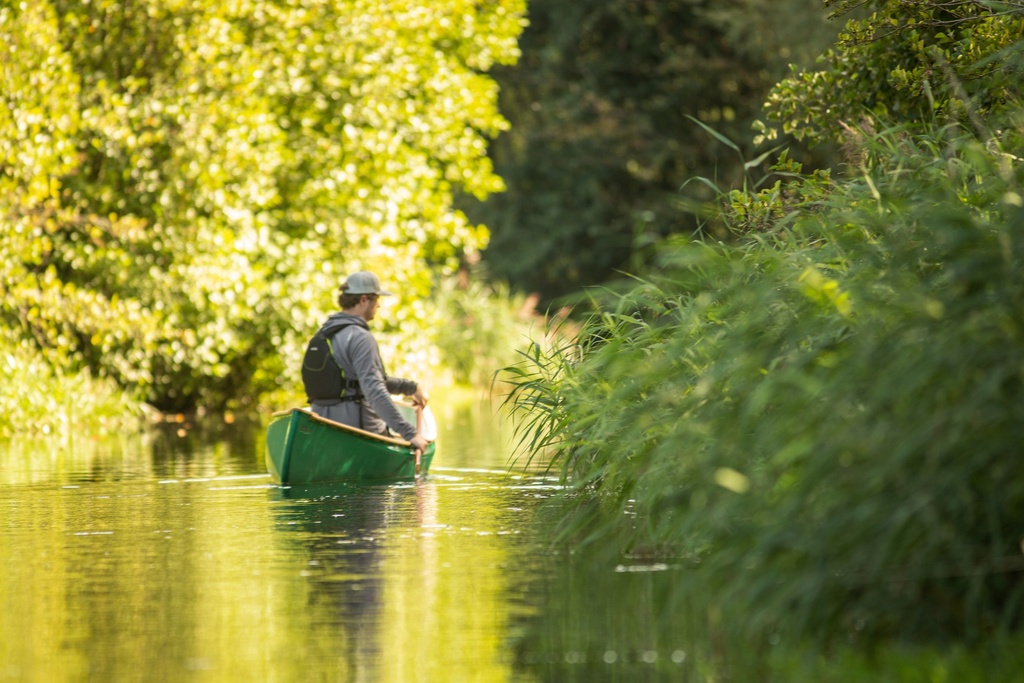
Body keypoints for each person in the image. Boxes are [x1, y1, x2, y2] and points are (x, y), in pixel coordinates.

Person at [302, 271, 430, 454]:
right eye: (376, 299)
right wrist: (410, 434)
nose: (378, 304)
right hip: (359, 432)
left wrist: (410, 388)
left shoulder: (324, 334)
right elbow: (374, 389)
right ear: (363, 300)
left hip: (325, 431)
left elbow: (358, 381)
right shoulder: (361, 338)